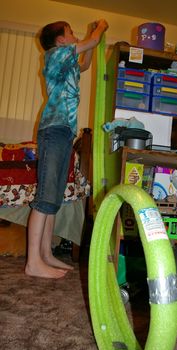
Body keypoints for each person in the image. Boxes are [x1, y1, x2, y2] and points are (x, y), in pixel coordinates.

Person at [25, 19, 108, 279]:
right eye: (71, 32)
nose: (74, 36)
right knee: (46, 197)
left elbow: (84, 64)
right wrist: (100, 27)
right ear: (61, 40)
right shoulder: (56, 54)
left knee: (55, 197)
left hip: (63, 131)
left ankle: (46, 254)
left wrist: (91, 41)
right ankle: (33, 262)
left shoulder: (66, 60)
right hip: (54, 129)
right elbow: (92, 41)